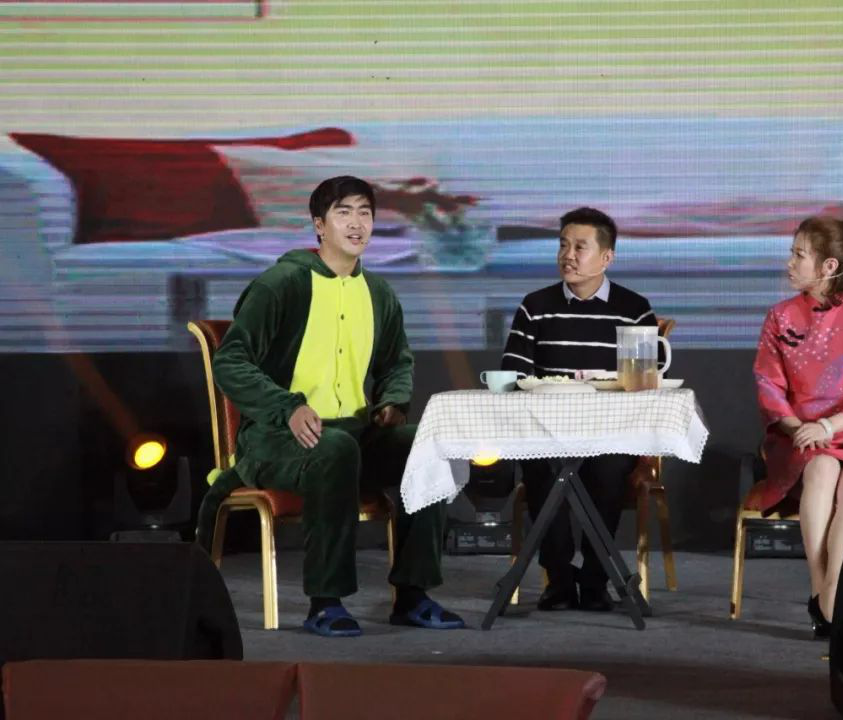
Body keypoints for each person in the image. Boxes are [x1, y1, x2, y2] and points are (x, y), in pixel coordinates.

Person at [209, 176, 464, 636]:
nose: (356, 223)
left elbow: (397, 361)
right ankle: (326, 603)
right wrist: (286, 406)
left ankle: (414, 595)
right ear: (319, 225)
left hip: (353, 434)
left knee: (427, 445)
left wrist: (392, 401)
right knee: (336, 448)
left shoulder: (379, 292)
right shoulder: (282, 284)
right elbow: (230, 361)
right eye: (343, 212)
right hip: (277, 438)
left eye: (365, 213)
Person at [501, 207, 661, 612]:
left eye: (579, 247)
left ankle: (594, 579)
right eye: (563, 245)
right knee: (540, 465)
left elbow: (647, 381)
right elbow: (514, 373)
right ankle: (557, 579)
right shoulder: (535, 306)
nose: (567, 256)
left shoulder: (634, 308)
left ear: (607, 257)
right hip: (547, 431)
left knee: (610, 467)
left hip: (610, 433)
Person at [752, 215, 843, 637]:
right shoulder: (780, 316)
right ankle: (822, 588)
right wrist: (800, 427)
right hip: (797, 434)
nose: (790, 263)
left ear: (829, 266)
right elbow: (768, 385)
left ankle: (831, 596)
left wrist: (830, 427)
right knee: (821, 467)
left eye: (799, 255)